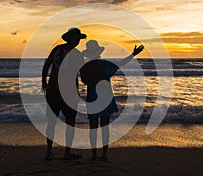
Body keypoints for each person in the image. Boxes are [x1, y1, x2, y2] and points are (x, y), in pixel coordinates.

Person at [80, 40, 144, 160]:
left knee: (93, 127)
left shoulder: (85, 67)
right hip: (105, 97)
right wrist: (133, 54)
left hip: (93, 98)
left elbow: (84, 80)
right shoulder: (104, 64)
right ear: (98, 53)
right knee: (104, 126)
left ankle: (94, 154)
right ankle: (104, 154)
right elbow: (121, 63)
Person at [42, 28, 86, 160]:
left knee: (53, 122)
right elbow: (82, 76)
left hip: (56, 91)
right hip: (65, 93)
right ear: (72, 39)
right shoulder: (77, 55)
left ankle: (50, 152)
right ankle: (64, 152)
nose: (78, 41)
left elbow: (46, 66)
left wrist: (44, 81)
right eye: (77, 38)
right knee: (69, 122)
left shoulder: (58, 50)